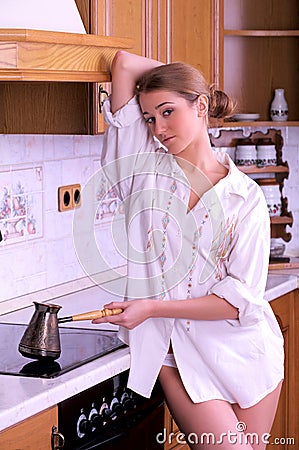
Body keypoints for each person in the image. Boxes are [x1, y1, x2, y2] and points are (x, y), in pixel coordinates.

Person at [92, 50, 284, 449]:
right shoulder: (141, 171)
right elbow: (124, 63)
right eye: (149, 118)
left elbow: (238, 302)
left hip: (247, 351)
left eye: (167, 112)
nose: (157, 127)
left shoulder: (244, 197)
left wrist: (152, 307)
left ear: (201, 107)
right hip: (175, 353)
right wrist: (185, 85)